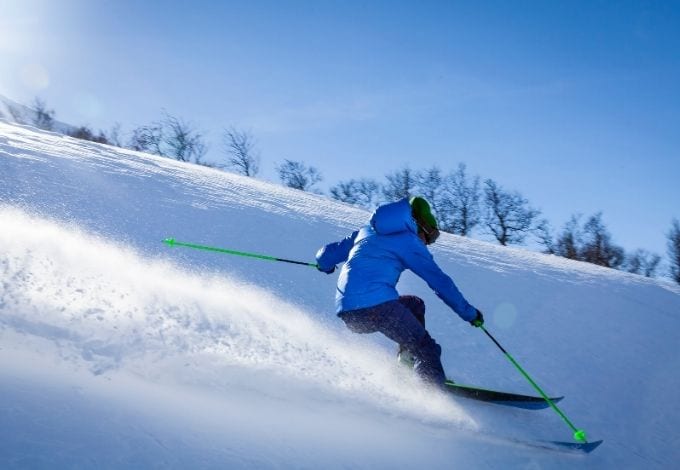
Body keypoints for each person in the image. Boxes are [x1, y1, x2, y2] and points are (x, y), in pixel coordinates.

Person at [315, 196, 484, 389]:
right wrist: (469, 313)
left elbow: (327, 255)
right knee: (426, 348)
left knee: (414, 304)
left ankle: (406, 363)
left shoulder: (366, 231)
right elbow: (440, 282)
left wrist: (324, 266)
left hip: (350, 314)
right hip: (378, 307)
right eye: (429, 237)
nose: (426, 243)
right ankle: (431, 392)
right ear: (419, 224)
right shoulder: (408, 242)